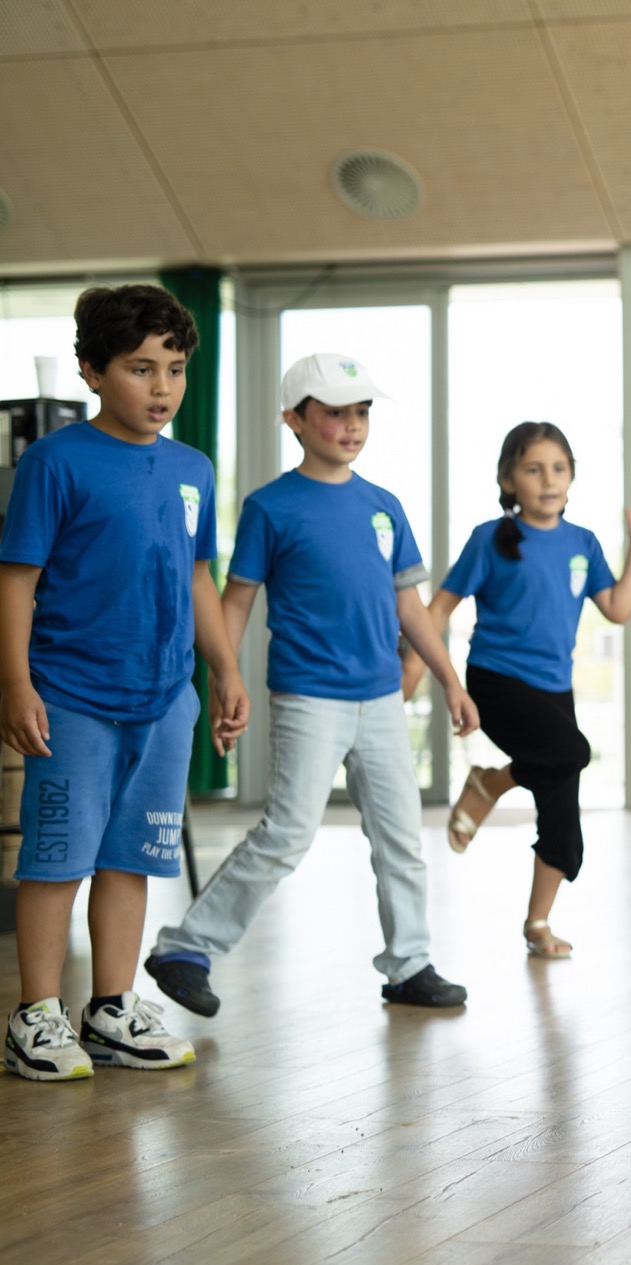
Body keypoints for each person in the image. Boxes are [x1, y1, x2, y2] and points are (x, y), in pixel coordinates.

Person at [143, 354, 478, 1016]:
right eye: (334, 412)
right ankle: (185, 947)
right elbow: (235, 601)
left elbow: (411, 608)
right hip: (308, 696)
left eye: (362, 412)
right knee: (287, 833)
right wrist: (223, 676)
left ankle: (410, 964)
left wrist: (450, 681)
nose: (352, 426)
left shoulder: (385, 507)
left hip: (381, 698)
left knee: (401, 838)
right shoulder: (270, 507)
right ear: (294, 420)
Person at [1, 284, 247, 1081]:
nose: (163, 387)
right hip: (71, 698)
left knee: (131, 859)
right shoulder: (54, 461)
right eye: (142, 369)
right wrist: (16, 685)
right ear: (93, 372)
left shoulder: (192, 468)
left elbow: (200, 576)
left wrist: (225, 668)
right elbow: (16, 580)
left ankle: (110, 1011)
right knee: (56, 861)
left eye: (174, 369)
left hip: (166, 700)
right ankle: (35, 1017)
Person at [402, 421, 631, 958]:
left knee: (563, 825)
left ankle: (537, 922)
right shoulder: (489, 539)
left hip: (555, 692)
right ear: (508, 479)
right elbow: (439, 609)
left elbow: (618, 608)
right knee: (572, 752)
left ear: (572, 477)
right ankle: (492, 784)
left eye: (559, 469)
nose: (549, 480)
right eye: (534, 469)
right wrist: (420, 670)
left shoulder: (583, 543)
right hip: (495, 682)